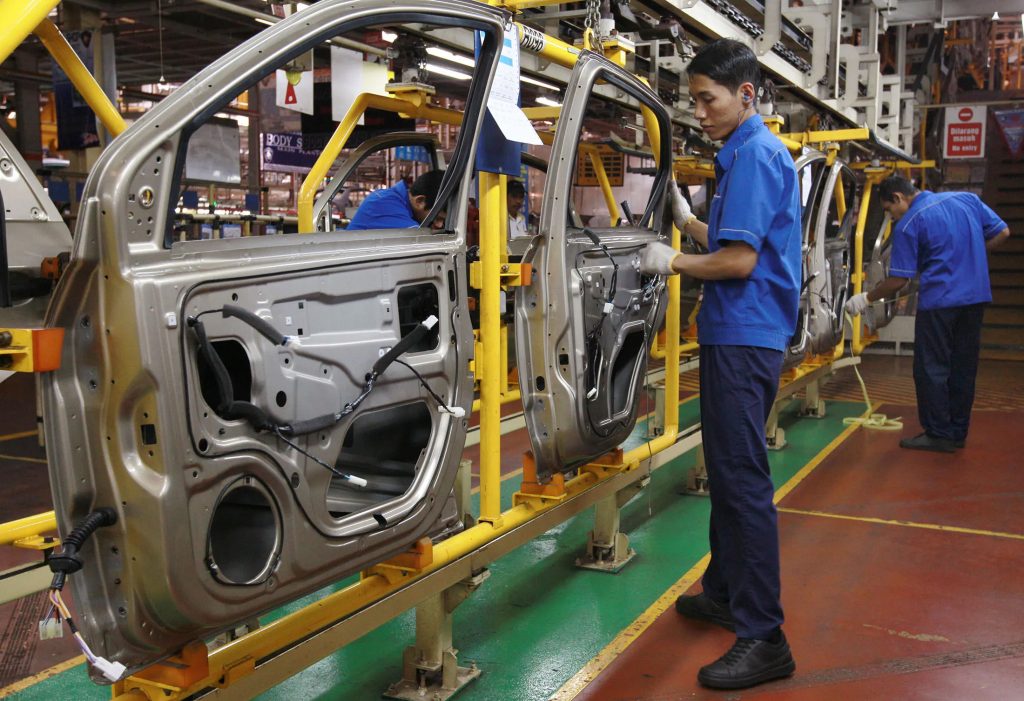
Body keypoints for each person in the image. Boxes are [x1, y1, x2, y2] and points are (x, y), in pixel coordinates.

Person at [639, 39, 801, 690]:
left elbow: (739, 263)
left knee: (741, 482)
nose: (700, 112)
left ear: (746, 94)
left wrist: (672, 261)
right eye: (695, 100)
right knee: (728, 473)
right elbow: (732, 239)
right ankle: (726, 592)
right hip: (737, 332)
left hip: (745, 333)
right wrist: (686, 223)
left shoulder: (756, 155)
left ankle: (764, 636)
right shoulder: (740, 155)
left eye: (708, 100)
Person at [845, 176, 1010, 452]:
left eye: (888, 209)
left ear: (898, 198)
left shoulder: (909, 222)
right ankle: (957, 431)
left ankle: (939, 434)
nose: (891, 216)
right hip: (975, 298)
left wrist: (865, 298)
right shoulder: (966, 200)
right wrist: (972, 256)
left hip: (940, 304)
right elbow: (1003, 232)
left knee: (931, 367)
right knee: (963, 366)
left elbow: (899, 280)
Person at [346, 169, 445, 231]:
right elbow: (419, 241)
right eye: (437, 218)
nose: (439, 225)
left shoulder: (400, 200)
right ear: (420, 201)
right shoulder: (384, 204)